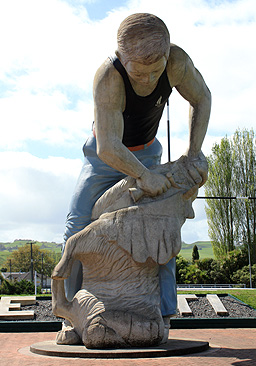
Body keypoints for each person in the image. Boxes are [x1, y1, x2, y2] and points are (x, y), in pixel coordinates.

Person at [62, 13, 211, 322]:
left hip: (148, 152)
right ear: (122, 58)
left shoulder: (177, 63)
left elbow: (203, 98)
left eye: (155, 72)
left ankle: (165, 311)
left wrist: (194, 152)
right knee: (77, 226)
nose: (148, 80)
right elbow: (108, 147)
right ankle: (70, 313)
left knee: (164, 228)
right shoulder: (108, 77)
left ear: (167, 56)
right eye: (138, 73)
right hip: (103, 158)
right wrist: (143, 176)